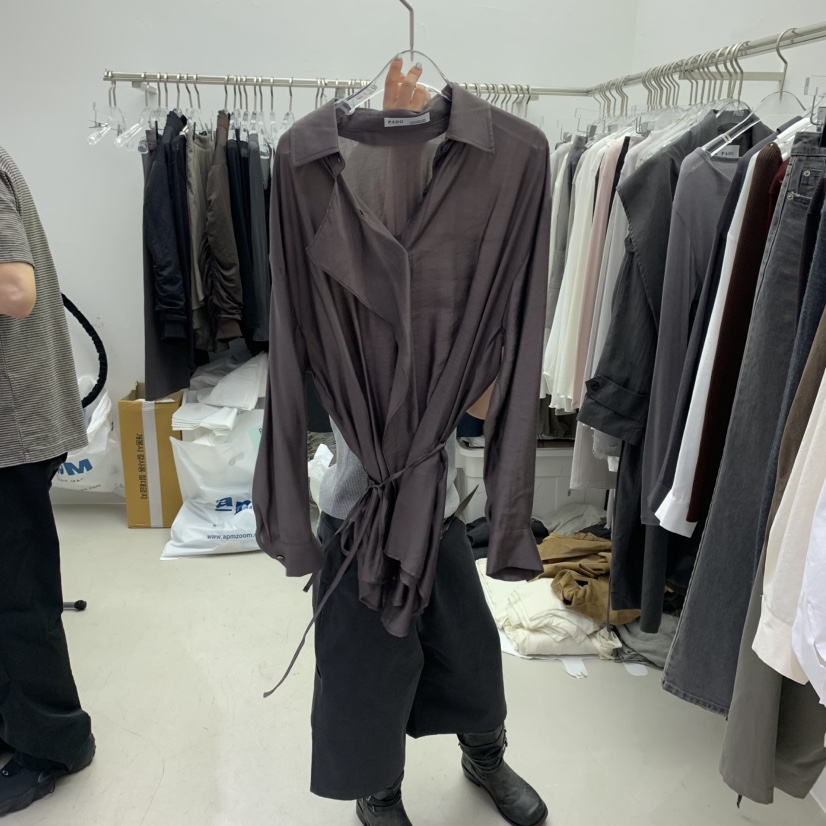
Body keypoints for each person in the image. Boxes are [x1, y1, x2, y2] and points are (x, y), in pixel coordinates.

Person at [296, 61, 549, 826]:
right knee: (366, 670)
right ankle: (379, 789)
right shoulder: (323, 194)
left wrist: (470, 350)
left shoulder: (482, 201)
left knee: (468, 653)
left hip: (435, 506)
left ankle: (485, 754)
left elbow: (484, 399)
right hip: (356, 509)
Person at [0, 145, 96, 816]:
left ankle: (54, 747)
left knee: (19, 596)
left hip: (10, 429)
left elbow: (16, 289)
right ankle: (17, 725)